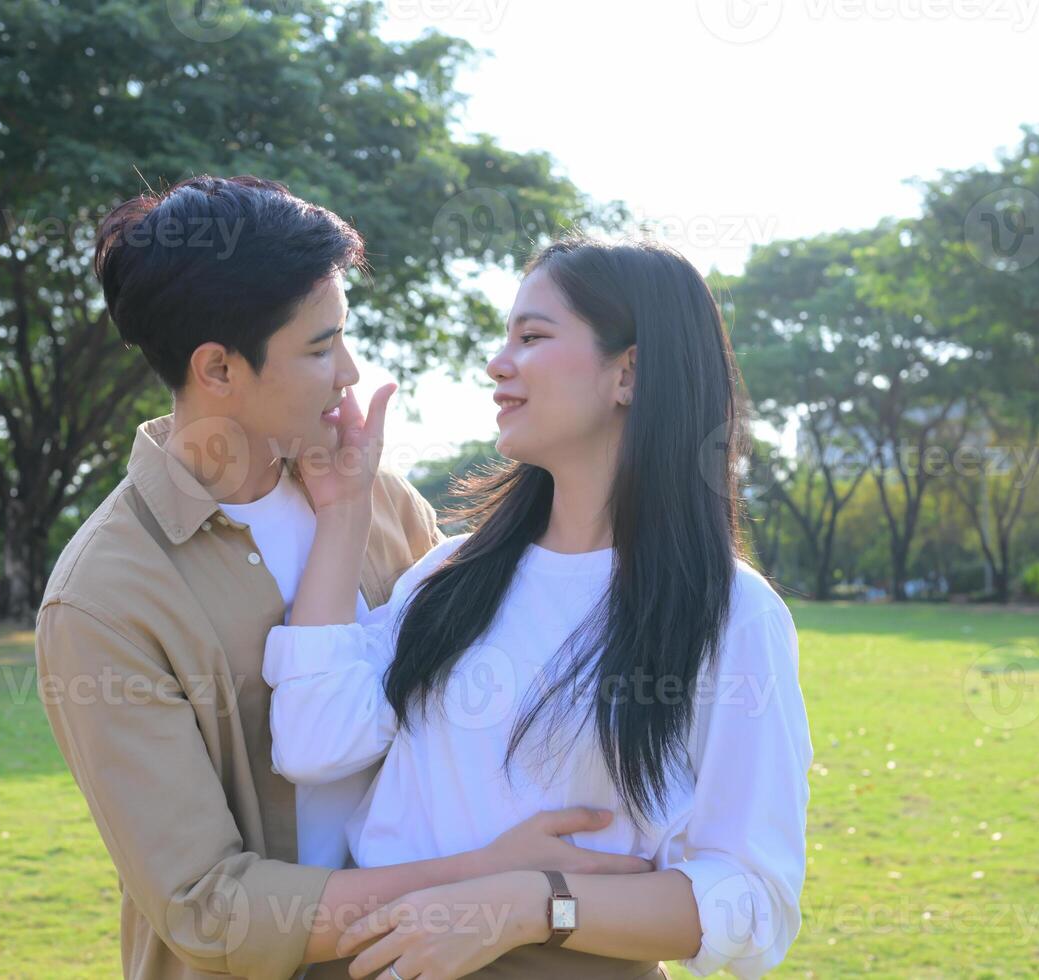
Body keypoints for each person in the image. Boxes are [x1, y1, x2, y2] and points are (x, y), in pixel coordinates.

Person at [34, 177, 653, 980]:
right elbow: (209, 905)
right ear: (218, 368)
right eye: (321, 347)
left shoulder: (385, 503)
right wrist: (492, 876)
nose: (349, 374)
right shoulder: (104, 598)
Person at [267, 237, 814, 979]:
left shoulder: (728, 615)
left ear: (630, 373)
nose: (498, 363)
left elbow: (751, 902)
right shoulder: (451, 575)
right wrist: (341, 513)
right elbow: (313, 742)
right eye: (506, 337)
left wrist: (529, 903)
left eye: (532, 337)